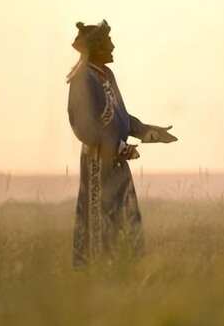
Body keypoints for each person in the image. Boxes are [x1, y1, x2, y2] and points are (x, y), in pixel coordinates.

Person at [66, 20, 177, 268]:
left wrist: (151, 132)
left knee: (124, 216)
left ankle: (124, 270)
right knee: (98, 217)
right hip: (98, 161)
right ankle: (95, 275)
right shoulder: (82, 79)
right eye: (108, 42)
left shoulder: (106, 75)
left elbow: (122, 117)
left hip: (117, 161)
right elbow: (83, 126)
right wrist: (115, 147)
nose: (113, 46)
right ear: (96, 47)